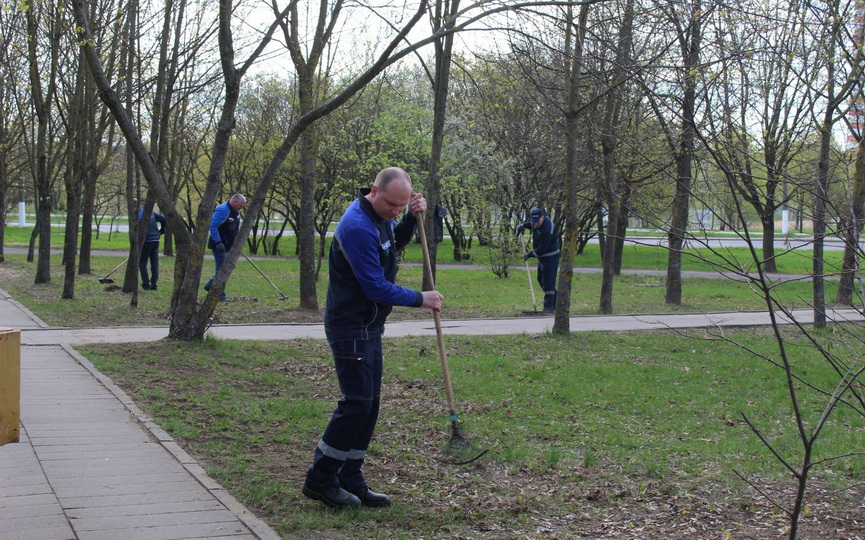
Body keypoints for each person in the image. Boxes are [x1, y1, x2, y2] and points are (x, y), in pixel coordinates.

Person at [302, 167, 444, 509]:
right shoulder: (356, 227)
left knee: (370, 405)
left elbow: (391, 246)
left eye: (402, 205)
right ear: (374, 191)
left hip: (368, 326)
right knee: (357, 404)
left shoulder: (380, 218)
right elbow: (375, 287)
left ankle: (350, 476)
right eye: (392, 205)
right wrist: (420, 297)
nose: (395, 211)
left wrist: (409, 220)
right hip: (349, 326)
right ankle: (321, 478)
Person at [517, 207, 560, 312]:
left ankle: (549, 308)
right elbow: (531, 224)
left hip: (550, 256)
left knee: (548, 282)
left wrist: (529, 254)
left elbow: (542, 249)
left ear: (542, 218)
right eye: (534, 221)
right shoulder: (537, 221)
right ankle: (558, 303)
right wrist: (522, 226)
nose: (535, 224)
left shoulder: (547, 230)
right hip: (543, 258)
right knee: (540, 279)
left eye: (537, 221)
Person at [204, 194, 246, 301]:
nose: (241, 208)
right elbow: (213, 226)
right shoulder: (223, 210)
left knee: (229, 266)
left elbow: (234, 228)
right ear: (234, 202)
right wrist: (218, 242)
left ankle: (210, 285)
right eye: (240, 205)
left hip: (229, 245)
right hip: (220, 245)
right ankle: (219, 295)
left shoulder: (237, 212)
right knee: (222, 269)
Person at [137, 202, 167, 291]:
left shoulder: (139, 216)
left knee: (142, 263)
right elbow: (163, 219)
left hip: (147, 241)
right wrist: (162, 231)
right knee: (154, 264)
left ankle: (146, 284)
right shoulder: (150, 212)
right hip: (155, 240)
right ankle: (154, 285)